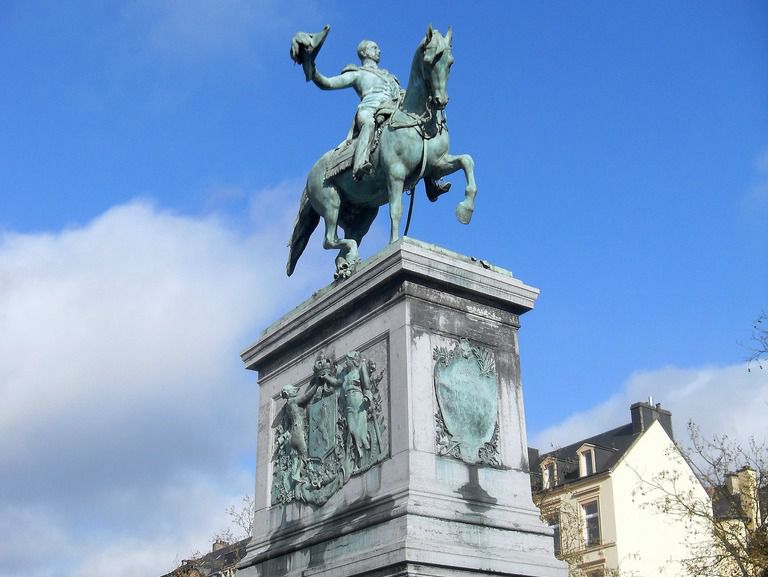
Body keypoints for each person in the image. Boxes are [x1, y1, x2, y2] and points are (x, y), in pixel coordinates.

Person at [311, 40, 401, 180]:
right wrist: (311, 68)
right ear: (364, 53)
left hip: (391, 110)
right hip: (369, 110)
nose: (379, 51)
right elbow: (328, 83)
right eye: (374, 48)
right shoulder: (358, 73)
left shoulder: (390, 77)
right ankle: (360, 164)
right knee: (369, 124)